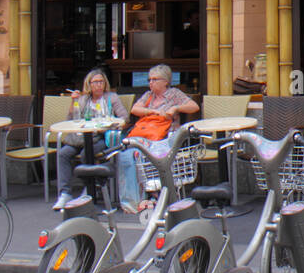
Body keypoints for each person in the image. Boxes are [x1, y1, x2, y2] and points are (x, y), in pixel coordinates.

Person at [117, 64, 198, 214]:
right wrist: (152, 111)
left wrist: (176, 108)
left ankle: (153, 194)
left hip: (165, 136)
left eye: (154, 79)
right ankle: (133, 200)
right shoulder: (148, 95)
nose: (151, 83)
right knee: (126, 155)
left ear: (165, 81)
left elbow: (193, 106)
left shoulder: (174, 94)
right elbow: (135, 109)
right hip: (146, 134)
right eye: (149, 80)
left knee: (144, 154)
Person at [53, 69, 128, 211]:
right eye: (95, 82)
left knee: (85, 155)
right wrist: (74, 101)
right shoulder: (83, 99)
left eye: (101, 82)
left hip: (101, 137)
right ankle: (65, 193)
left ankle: (89, 188)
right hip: (81, 137)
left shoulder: (111, 97)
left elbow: (124, 118)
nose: (99, 85)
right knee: (63, 154)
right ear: (89, 84)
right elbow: (70, 119)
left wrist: (110, 123)